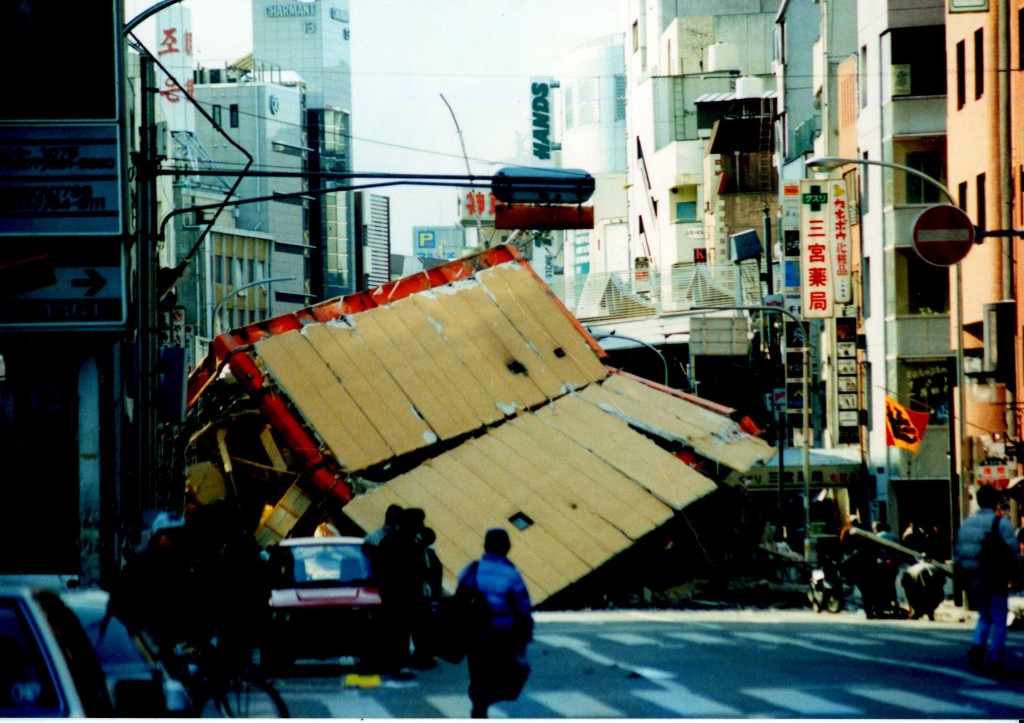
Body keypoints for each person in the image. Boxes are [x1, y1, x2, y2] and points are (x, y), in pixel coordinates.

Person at [457, 528, 533, 718]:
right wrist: (525, 636)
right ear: (507, 547)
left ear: (485, 546)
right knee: (505, 674)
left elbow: (459, 599)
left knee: (478, 674)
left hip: (474, 634)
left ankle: (479, 706)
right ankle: (484, 702)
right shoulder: (511, 575)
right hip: (501, 635)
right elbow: (523, 608)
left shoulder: (471, 569)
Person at [954, 484, 1021, 678]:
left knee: (984, 615)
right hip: (995, 577)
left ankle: (977, 649)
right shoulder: (1000, 524)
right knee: (1000, 618)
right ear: (995, 502)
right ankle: (994, 658)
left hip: (974, 577)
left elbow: (958, 553)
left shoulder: (967, 523)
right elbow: (1013, 551)